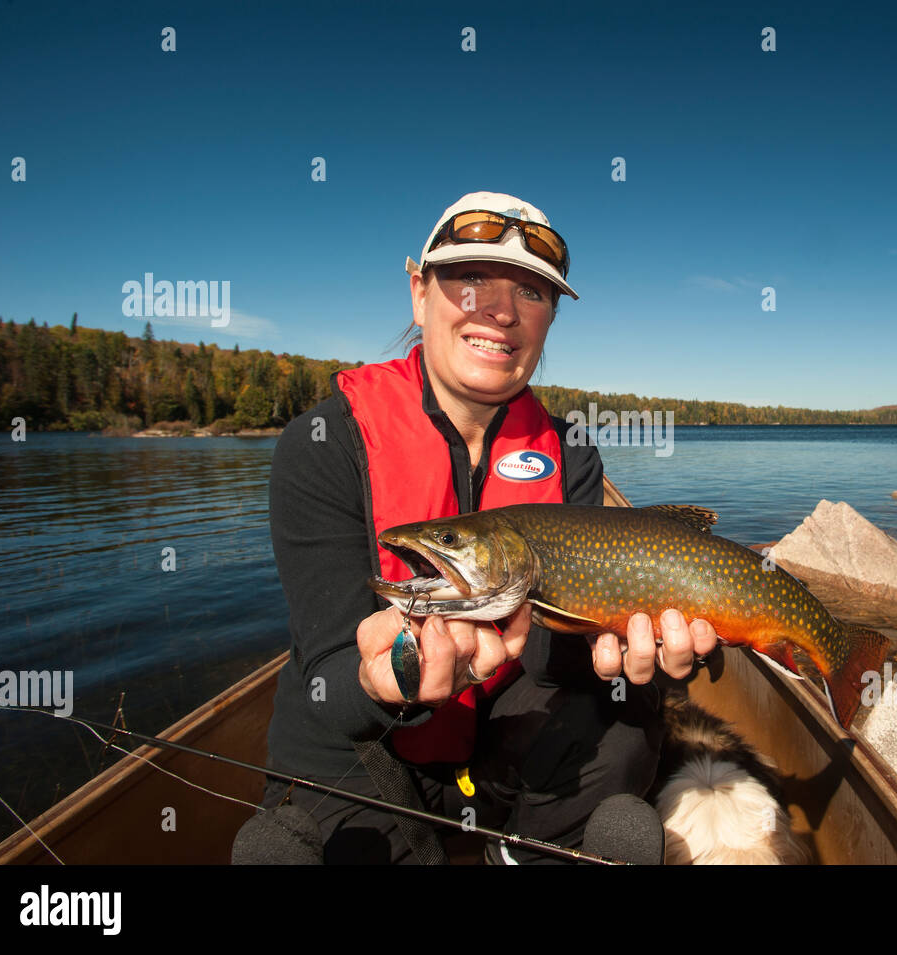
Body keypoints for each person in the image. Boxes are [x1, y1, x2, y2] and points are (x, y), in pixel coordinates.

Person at [257, 191, 719, 864]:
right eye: (471, 280)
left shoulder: (574, 454)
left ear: (549, 320)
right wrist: (387, 676)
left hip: (507, 737)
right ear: (419, 291)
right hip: (360, 747)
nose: (500, 312)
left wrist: (612, 640)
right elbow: (330, 676)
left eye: (532, 292)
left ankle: (522, 846)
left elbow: (556, 660)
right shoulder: (323, 443)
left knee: (626, 718)